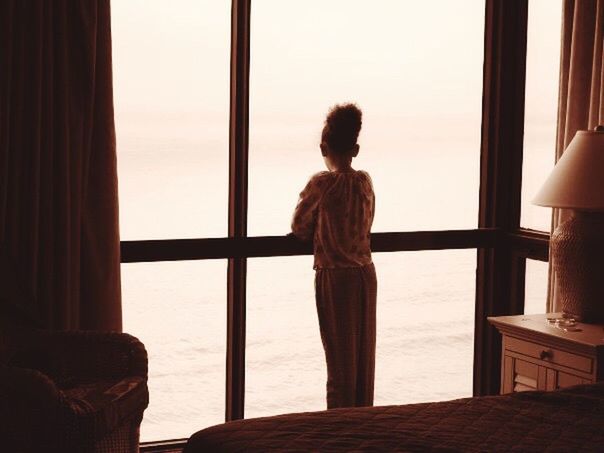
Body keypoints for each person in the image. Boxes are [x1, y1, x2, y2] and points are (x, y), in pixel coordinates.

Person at [291, 103, 377, 409]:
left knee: (339, 362)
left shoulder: (322, 184)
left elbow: (300, 227)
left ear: (323, 147)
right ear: (355, 148)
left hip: (335, 275)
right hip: (365, 274)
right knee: (363, 360)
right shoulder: (364, 182)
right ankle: (362, 423)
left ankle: (338, 428)